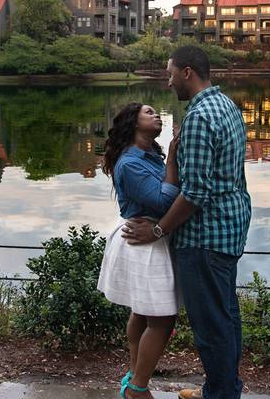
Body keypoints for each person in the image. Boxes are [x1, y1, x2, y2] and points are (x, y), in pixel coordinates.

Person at [123, 46, 252, 399]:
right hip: (230, 228)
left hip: (205, 237)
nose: (167, 82)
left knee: (211, 326)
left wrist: (159, 228)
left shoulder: (198, 117)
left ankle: (220, 394)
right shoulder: (226, 106)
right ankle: (223, 387)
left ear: (187, 73)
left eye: (169, 74)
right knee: (225, 315)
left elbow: (195, 194)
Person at [97, 102, 182, 399]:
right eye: (149, 112)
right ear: (133, 123)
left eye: (157, 112)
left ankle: (134, 374)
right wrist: (172, 161)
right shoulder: (130, 163)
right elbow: (162, 202)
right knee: (161, 318)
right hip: (144, 241)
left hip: (148, 238)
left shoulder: (147, 156)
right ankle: (137, 389)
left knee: (143, 314)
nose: (157, 115)